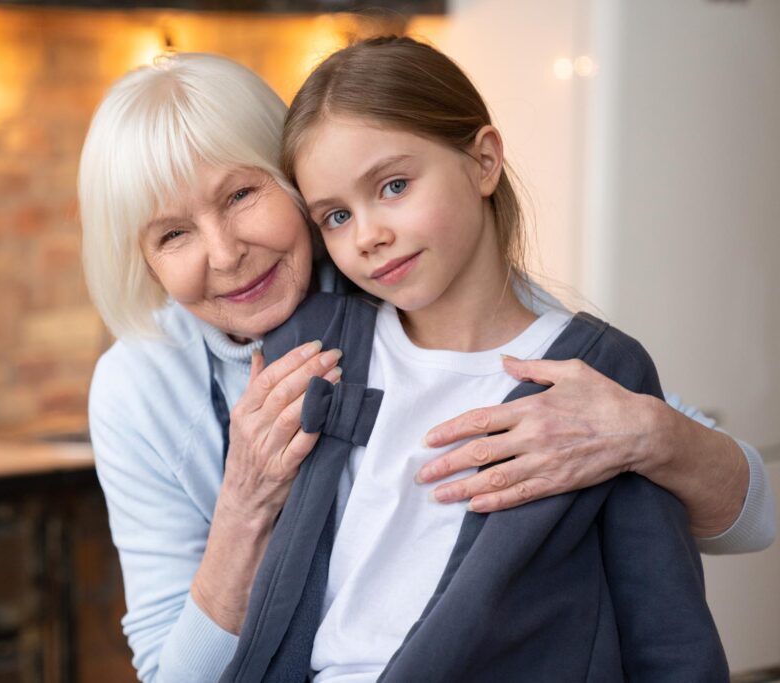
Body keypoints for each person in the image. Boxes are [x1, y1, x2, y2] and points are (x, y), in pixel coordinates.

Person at [78, 52, 774, 682]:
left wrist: (651, 435)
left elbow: (746, 515)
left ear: (293, 183)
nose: (225, 252)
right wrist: (243, 507)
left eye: (240, 196)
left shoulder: (406, 288)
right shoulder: (139, 388)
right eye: (173, 234)